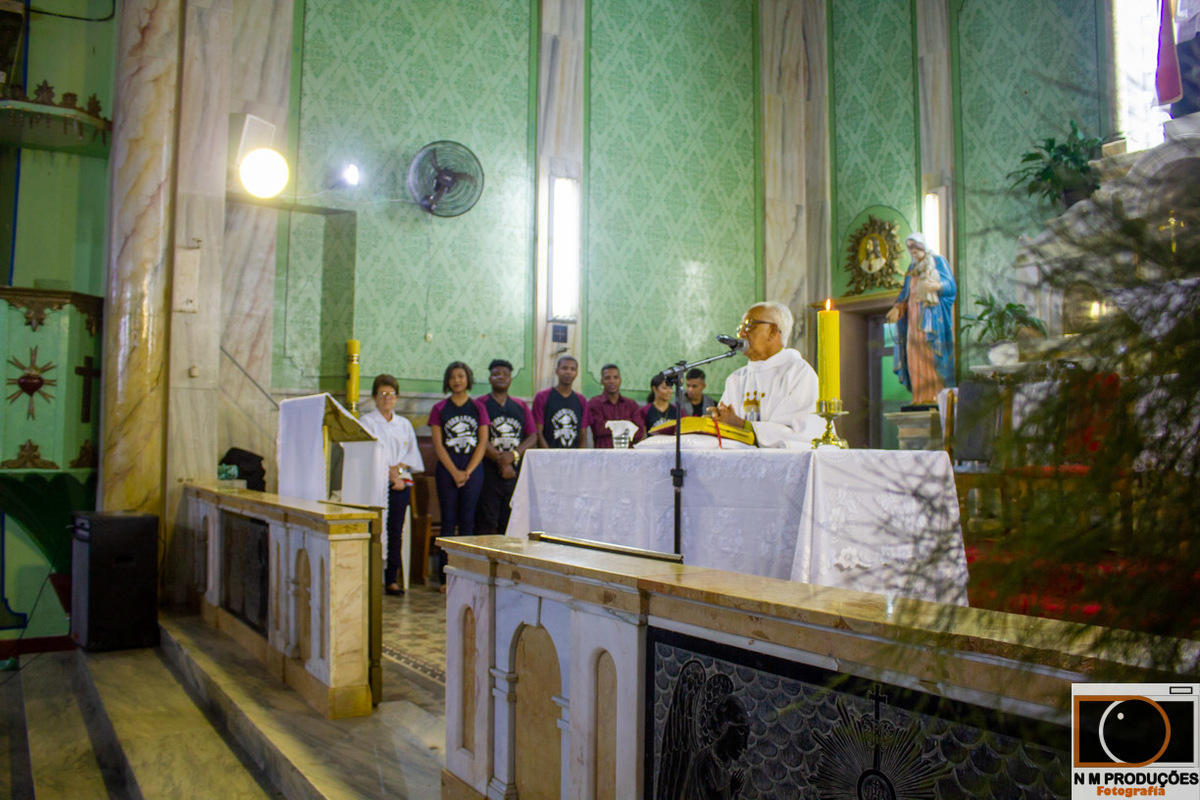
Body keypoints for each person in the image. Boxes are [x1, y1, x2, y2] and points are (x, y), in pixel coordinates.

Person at [711, 301, 823, 447]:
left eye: (749, 325)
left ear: (773, 331)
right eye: (741, 327)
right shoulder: (736, 378)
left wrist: (740, 424)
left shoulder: (799, 373)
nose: (741, 333)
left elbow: (800, 434)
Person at [358, 374, 424, 596]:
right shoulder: (367, 422)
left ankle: (391, 578)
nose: (387, 398)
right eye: (382, 394)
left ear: (397, 397)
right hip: (375, 484)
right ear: (375, 397)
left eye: (391, 394)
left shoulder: (403, 424)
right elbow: (367, 453)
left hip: (400, 484)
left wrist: (398, 474)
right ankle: (371, 573)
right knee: (375, 529)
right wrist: (389, 474)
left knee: (396, 530)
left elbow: (412, 455)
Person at [429, 361, 490, 587]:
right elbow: (438, 444)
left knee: (467, 523)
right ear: (447, 380)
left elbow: (483, 442)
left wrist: (468, 471)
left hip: (473, 470)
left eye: (461, 376)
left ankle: (465, 574)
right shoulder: (440, 409)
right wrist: (455, 472)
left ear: (468, 379)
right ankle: (445, 575)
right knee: (448, 523)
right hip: (447, 470)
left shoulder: (478, 408)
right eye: (453, 376)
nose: (457, 380)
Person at [885, 232, 956, 405]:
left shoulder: (937, 262)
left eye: (916, 248)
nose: (913, 252)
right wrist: (897, 308)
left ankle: (935, 395)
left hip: (930, 318)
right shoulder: (911, 270)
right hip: (913, 321)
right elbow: (904, 295)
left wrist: (937, 285)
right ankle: (919, 396)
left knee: (929, 353)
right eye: (910, 249)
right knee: (913, 354)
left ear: (922, 246)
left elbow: (951, 287)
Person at [475, 359, 536, 535]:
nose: (500, 377)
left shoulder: (520, 406)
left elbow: (532, 436)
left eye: (505, 374)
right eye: (496, 374)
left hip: (515, 473)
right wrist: (501, 460)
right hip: (488, 471)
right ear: (489, 378)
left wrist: (513, 456)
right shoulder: (480, 404)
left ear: (511, 379)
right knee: (486, 521)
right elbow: (479, 437)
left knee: (510, 521)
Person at [532, 355, 590, 449]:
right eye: (564, 368)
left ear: (576, 373)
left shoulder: (581, 400)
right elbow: (538, 433)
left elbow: (583, 436)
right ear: (557, 371)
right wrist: (548, 456)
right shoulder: (542, 397)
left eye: (572, 369)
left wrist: (580, 457)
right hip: (548, 457)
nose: (568, 372)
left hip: (574, 458)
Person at [586, 363, 645, 448]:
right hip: (604, 455)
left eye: (615, 377)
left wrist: (609, 425)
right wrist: (627, 424)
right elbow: (598, 429)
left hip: (628, 455)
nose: (612, 381)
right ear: (602, 381)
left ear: (620, 380)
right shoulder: (594, 403)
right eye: (607, 378)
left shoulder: (631, 404)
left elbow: (639, 433)